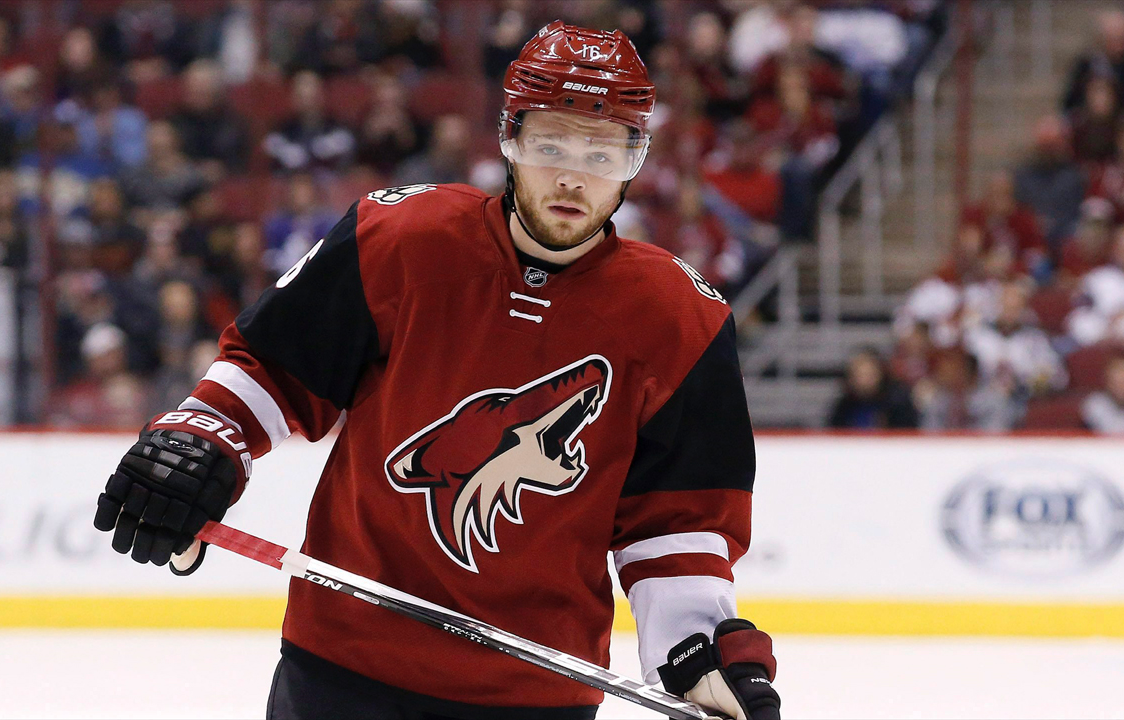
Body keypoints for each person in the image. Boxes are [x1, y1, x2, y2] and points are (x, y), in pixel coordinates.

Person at [92, 21, 780, 720]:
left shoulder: (682, 320)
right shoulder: (399, 238)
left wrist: (696, 652)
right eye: (550, 145)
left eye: (602, 153)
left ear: (635, 161)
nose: (573, 177)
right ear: (509, 139)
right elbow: (276, 366)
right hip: (341, 664)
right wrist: (204, 439)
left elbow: (677, 524)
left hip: (532, 695)